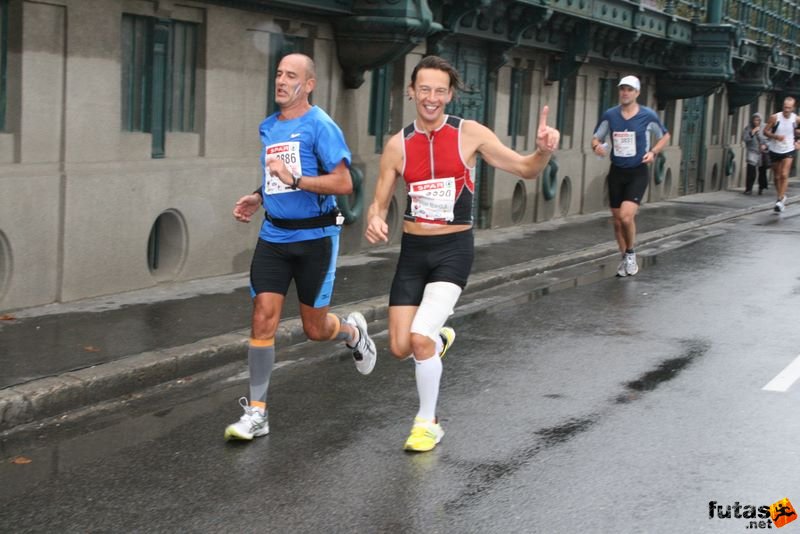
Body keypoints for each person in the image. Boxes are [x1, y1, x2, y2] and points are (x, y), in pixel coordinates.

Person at [364, 55, 560, 452]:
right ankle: (440, 338)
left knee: (420, 338)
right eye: (424, 89)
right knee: (402, 347)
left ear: (450, 95)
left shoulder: (470, 134)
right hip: (413, 252)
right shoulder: (397, 145)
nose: (431, 98)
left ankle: (427, 422)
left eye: (439, 90)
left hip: (453, 250)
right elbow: (378, 201)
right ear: (412, 92)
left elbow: (525, 169)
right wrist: (374, 218)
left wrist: (542, 152)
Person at [224, 53, 376, 441]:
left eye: (291, 75)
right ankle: (257, 413)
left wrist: (296, 181)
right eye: (277, 73)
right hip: (274, 237)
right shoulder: (270, 127)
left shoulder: (321, 126)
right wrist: (259, 196)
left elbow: (344, 184)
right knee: (262, 317)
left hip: (316, 239)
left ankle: (352, 334)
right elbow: (277, 175)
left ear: (308, 84)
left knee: (314, 328)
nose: (280, 81)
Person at [590, 75, 670, 277]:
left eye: (629, 90)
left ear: (637, 93)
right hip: (617, 171)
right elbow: (596, 138)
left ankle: (631, 253)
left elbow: (665, 136)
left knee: (626, 217)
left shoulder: (647, 115)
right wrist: (597, 147)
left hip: (637, 171)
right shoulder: (610, 115)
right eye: (622, 89)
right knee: (617, 221)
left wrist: (653, 152)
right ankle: (624, 257)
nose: (625, 93)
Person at [764, 96, 800, 212]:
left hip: (788, 149)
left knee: (784, 174)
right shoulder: (775, 117)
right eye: (785, 107)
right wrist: (775, 136)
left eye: (789, 108)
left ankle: (780, 200)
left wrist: (798, 142)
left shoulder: (796, 119)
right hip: (775, 149)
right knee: (776, 176)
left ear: (793, 108)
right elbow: (765, 131)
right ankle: (781, 196)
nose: (787, 110)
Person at [741, 112, 769, 195]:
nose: (756, 122)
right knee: (751, 170)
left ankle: (761, 187)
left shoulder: (765, 127)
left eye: (758, 120)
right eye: (755, 120)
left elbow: (769, 139)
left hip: (762, 152)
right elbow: (745, 139)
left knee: (762, 171)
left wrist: (765, 145)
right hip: (752, 151)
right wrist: (752, 132)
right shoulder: (748, 128)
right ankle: (749, 188)